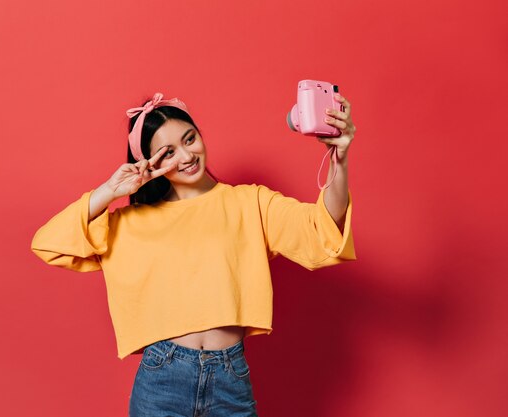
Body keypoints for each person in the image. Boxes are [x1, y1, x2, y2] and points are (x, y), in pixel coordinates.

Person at [30, 92, 357, 417]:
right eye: (168, 152)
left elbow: (321, 229)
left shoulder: (249, 202)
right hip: (162, 379)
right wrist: (109, 192)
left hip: (231, 377)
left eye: (190, 139)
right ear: (148, 161)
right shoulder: (128, 223)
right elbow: (48, 243)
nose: (186, 155)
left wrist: (338, 159)